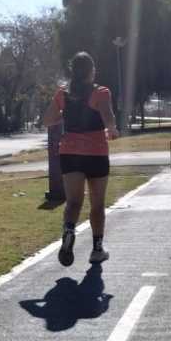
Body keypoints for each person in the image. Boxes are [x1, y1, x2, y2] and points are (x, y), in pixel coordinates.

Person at [43, 52, 120, 266]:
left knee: (74, 202)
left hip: (69, 153)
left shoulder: (62, 94)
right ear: (92, 71)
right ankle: (97, 249)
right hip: (96, 153)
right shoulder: (101, 92)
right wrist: (112, 130)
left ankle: (69, 232)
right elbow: (108, 115)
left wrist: (64, 115)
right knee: (97, 204)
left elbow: (47, 120)